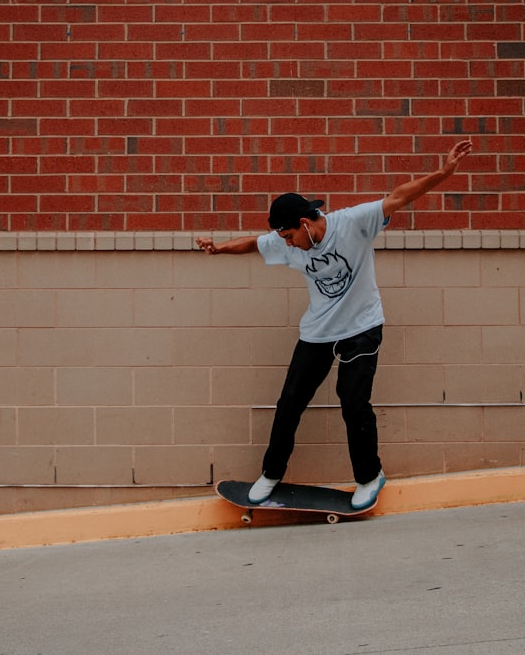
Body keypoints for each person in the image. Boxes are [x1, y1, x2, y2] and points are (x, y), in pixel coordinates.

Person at [196, 139, 473, 509]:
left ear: (307, 222)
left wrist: (442, 173)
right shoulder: (289, 243)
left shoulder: (353, 223)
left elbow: (398, 197)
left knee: (353, 401)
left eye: (291, 235)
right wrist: (218, 248)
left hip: (362, 326)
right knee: (290, 401)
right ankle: (271, 474)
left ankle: (369, 477)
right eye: (284, 239)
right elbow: (253, 244)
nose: (289, 245)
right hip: (319, 331)